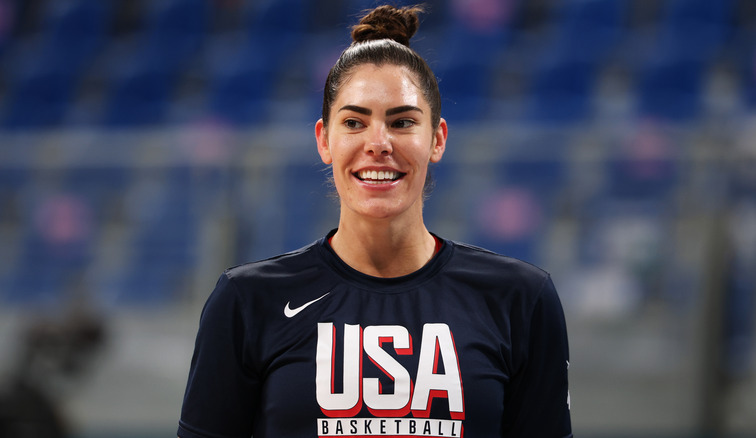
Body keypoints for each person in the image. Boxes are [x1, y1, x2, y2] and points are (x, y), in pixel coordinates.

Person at [178, 4, 572, 438]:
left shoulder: (519, 299)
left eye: (402, 122)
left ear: (437, 139)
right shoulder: (248, 300)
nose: (378, 143)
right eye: (354, 122)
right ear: (324, 140)